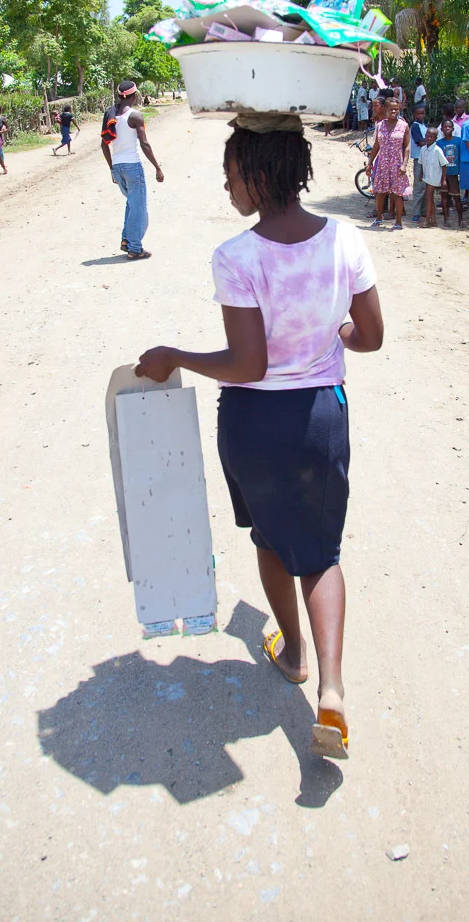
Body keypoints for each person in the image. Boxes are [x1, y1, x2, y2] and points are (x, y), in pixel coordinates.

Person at [135, 114, 383, 760]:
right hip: (322, 417)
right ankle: (331, 688)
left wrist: (174, 354)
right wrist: (335, 334)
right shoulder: (345, 239)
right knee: (321, 553)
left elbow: (247, 366)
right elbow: (371, 335)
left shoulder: (237, 256)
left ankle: (294, 653)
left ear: (256, 174)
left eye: (229, 175)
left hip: (255, 423)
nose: (226, 188)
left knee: (272, 539)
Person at [101, 80, 164, 259]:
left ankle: (126, 240)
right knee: (139, 209)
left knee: (131, 204)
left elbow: (104, 144)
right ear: (134, 96)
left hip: (118, 167)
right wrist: (157, 167)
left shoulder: (110, 115)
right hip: (132, 166)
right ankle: (135, 248)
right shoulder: (135, 116)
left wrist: (112, 168)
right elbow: (144, 143)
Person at [366, 97, 410, 230]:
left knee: (397, 193)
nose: (394, 111)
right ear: (385, 109)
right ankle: (379, 217)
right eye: (391, 109)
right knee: (379, 192)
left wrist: (404, 165)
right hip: (383, 164)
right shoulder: (380, 126)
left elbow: (407, 147)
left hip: (397, 164)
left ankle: (398, 222)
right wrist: (369, 163)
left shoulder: (404, 126)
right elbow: (376, 146)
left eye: (396, 109)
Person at [420, 127, 449, 227]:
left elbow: (444, 164)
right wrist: (420, 174)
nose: (429, 138)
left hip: (435, 176)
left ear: (435, 138)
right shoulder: (423, 149)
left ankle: (427, 220)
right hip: (427, 176)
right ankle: (433, 220)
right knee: (430, 198)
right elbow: (421, 163)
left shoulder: (437, 150)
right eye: (427, 135)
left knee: (429, 198)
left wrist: (444, 179)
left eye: (431, 137)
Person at [436, 120, 462, 227]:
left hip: (454, 174)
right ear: (441, 129)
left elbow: (461, 156)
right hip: (443, 174)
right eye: (445, 127)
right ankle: (446, 219)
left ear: (453, 129)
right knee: (444, 197)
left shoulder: (458, 141)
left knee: (456, 196)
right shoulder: (439, 143)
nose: (447, 129)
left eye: (449, 127)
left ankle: (461, 219)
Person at [408, 102, 428, 224]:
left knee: (426, 186)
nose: (421, 115)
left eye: (423, 113)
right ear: (414, 114)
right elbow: (420, 142)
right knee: (419, 186)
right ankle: (416, 212)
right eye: (419, 113)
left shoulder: (424, 126)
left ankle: (424, 210)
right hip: (419, 159)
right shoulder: (415, 127)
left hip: (426, 159)